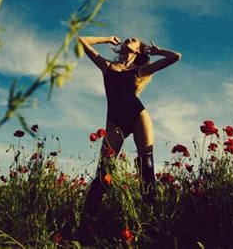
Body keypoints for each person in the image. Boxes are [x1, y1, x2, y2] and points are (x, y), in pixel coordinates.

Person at [75, 35, 181, 244]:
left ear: (139, 50)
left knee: (146, 167)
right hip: (114, 121)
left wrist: (157, 51)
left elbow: (176, 57)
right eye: (128, 38)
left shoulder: (138, 71)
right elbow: (81, 41)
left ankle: (153, 222)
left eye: (134, 39)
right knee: (103, 173)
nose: (129, 38)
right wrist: (106, 39)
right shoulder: (107, 66)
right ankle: (84, 229)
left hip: (138, 116)